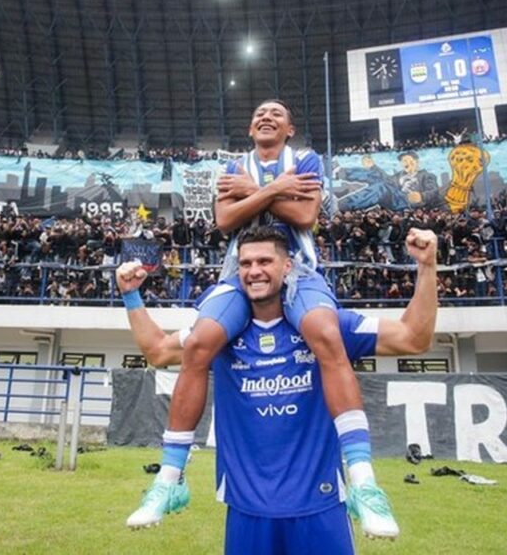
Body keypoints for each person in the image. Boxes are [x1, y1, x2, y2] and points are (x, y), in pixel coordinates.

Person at [136, 99, 395, 536]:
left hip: (298, 271)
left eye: (276, 113)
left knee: (325, 332)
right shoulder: (234, 165)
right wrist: (277, 190)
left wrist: (251, 193)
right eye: (259, 113)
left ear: (289, 129)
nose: (266, 117)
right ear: (249, 127)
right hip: (241, 274)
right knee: (198, 344)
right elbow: (225, 220)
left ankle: (364, 483)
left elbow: (306, 215)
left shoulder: (306, 160)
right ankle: (169, 479)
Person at [118, 225, 439, 552]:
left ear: (288, 266)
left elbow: (413, 338)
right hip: (247, 508)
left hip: (321, 504)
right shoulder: (220, 334)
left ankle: (364, 485)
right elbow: (158, 351)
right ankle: (169, 479)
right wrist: (131, 295)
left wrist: (427, 266)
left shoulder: (326, 325)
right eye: (246, 264)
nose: (254, 271)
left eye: (264, 261)